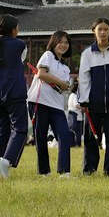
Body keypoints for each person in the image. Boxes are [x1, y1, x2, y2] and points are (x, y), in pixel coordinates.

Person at [78, 17, 109, 176]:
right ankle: (89, 170)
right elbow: (84, 78)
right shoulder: (87, 53)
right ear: (94, 31)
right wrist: (85, 100)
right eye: (100, 29)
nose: (103, 32)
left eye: (106, 29)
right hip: (93, 103)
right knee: (91, 138)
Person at [0, 15, 29, 180]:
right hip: (13, 93)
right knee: (20, 128)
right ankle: (6, 161)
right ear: (12, 30)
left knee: (1, 131)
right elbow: (21, 61)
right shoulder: (19, 45)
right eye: (17, 27)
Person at [28, 30, 74, 178]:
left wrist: (64, 85)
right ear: (53, 43)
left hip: (57, 105)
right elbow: (41, 74)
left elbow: (62, 86)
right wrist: (60, 82)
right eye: (60, 42)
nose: (63, 45)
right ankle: (44, 172)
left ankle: (64, 171)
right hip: (39, 101)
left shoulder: (66, 68)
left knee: (65, 135)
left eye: (66, 43)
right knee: (40, 137)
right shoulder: (47, 56)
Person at [67, 81, 84, 146]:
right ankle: (77, 144)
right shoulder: (75, 96)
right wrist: (83, 107)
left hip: (72, 114)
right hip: (76, 115)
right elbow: (76, 105)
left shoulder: (71, 95)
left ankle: (73, 144)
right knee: (77, 131)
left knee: (72, 130)